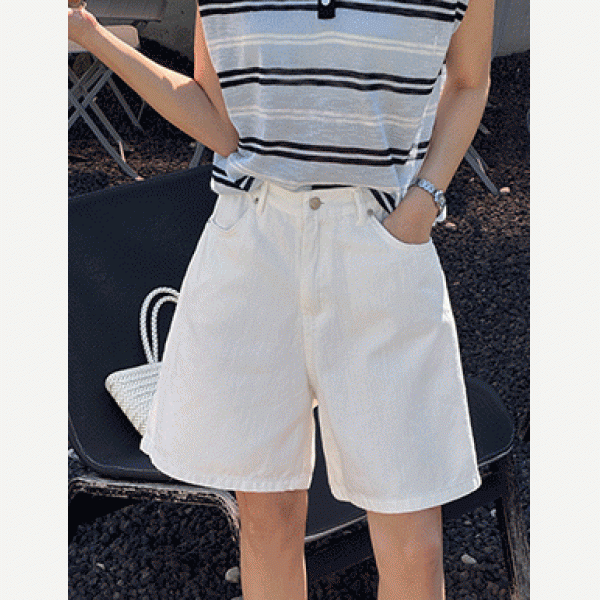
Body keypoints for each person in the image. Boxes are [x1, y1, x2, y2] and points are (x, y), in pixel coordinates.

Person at [69, 0, 494, 598]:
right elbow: (219, 122)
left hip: (378, 246)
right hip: (253, 249)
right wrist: (92, 36)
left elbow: (470, 81)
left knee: (412, 534)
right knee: (268, 520)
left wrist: (423, 202)